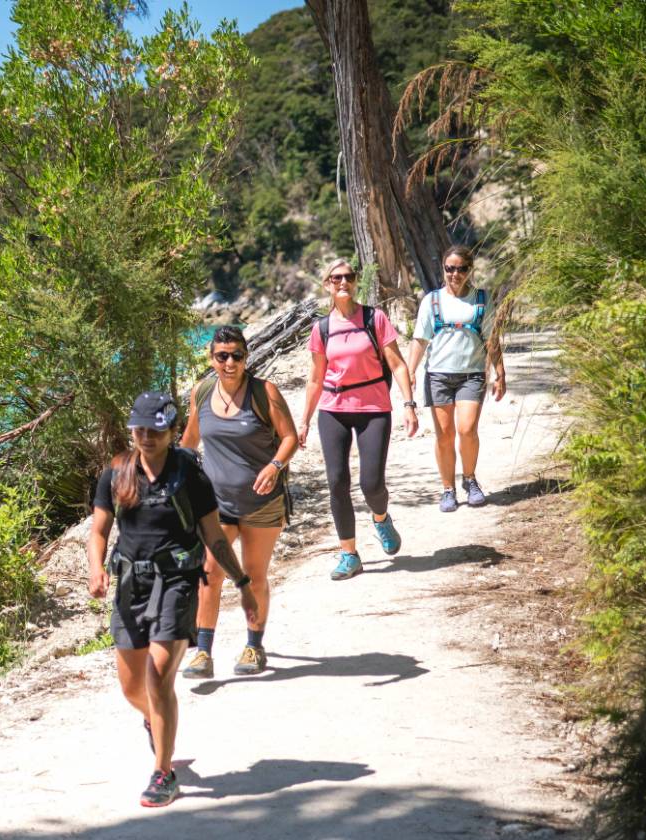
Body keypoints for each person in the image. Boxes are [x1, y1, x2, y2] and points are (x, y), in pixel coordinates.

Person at [88, 392, 258, 808]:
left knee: (159, 677)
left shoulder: (189, 476)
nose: (146, 437)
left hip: (177, 583)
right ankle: (155, 720)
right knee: (132, 688)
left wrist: (242, 582)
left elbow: (214, 537)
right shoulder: (116, 474)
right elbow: (98, 531)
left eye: (155, 430)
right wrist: (96, 567)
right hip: (131, 585)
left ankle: (163, 773)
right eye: (139, 429)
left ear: (170, 431)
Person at [178, 326, 298, 679]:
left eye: (237, 356)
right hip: (218, 506)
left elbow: (289, 437)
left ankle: (254, 646)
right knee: (209, 574)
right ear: (211, 358)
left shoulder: (264, 393)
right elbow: (190, 440)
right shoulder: (201, 393)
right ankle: (202, 653)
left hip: (262, 505)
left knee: (253, 575)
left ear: (247, 357)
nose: (230, 363)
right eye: (222, 356)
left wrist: (275, 466)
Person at [297, 260, 419, 580]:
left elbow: (398, 365)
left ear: (355, 282)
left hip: (374, 408)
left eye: (348, 277)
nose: (343, 282)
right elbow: (314, 378)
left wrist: (408, 405)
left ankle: (380, 518)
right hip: (333, 408)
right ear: (327, 285)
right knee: (337, 482)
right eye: (336, 278)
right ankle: (349, 554)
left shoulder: (373, 318)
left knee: (371, 483)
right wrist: (305, 421)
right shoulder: (321, 329)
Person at [405, 245, 506, 511]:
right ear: (444, 270)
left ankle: (470, 479)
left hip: (471, 375)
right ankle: (447, 489)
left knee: (467, 429)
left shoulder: (481, 299)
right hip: (438, 375)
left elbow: (491, 338)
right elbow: (420, 339)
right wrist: (410, 371)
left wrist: (500, 372)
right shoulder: (432, 301)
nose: (455, 274)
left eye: (461, 269)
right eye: (450, 269)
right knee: (445, 435)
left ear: (469, 270)